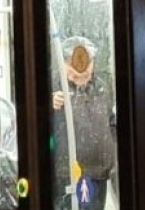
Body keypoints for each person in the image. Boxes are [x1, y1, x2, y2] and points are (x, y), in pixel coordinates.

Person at [51, 36, 116, 210]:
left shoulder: (102, 87)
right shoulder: (54, 87)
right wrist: (50, 106)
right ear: (63, 63)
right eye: (74, 67)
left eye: (86, 67)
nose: (81, 74)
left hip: (99, 173)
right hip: (67, 175)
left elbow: (110, 122)